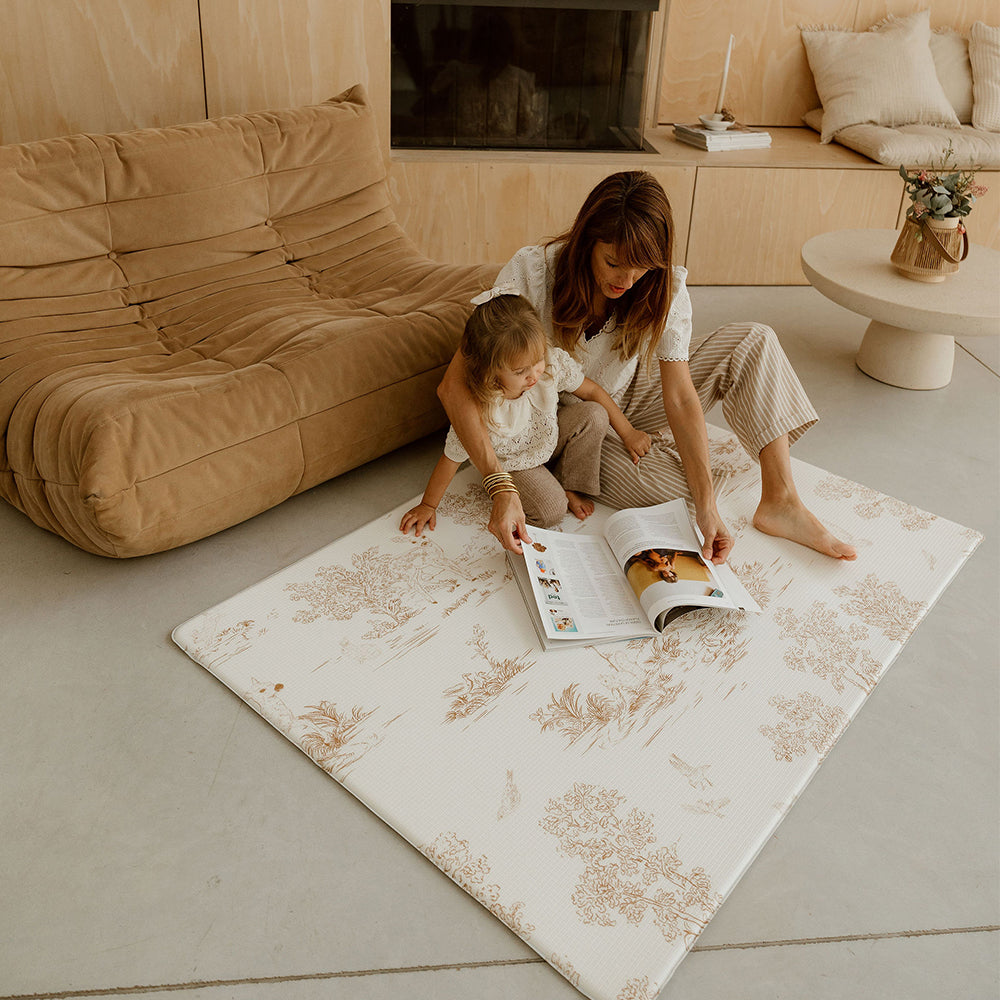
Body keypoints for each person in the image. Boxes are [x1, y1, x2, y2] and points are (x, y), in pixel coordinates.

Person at [438, 170, 857, 563]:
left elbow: (678, 394)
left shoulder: (661, 285)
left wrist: (710, 506)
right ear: (587, 242)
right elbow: (453, 387)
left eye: (642, 265)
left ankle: (780, 500)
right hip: (572, 418)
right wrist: (499, 482)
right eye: (614, 262)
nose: (628, 278)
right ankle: (586, 461)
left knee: (754, 340)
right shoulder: (533, 271)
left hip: (631, 392)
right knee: (683, 498)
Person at [400, 292, 650, 537]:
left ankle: (570, 485)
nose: (534, 375)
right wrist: (428, 505)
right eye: (520, 371)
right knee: (552, 510)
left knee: (594, 414)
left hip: (547, 438)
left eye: (538, 359)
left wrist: (627, 432)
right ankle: (546, 489)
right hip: (516, 466)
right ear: (491, 371)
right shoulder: (483, 406)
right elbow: (450, 460)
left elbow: (593, 391)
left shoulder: (549, 366)